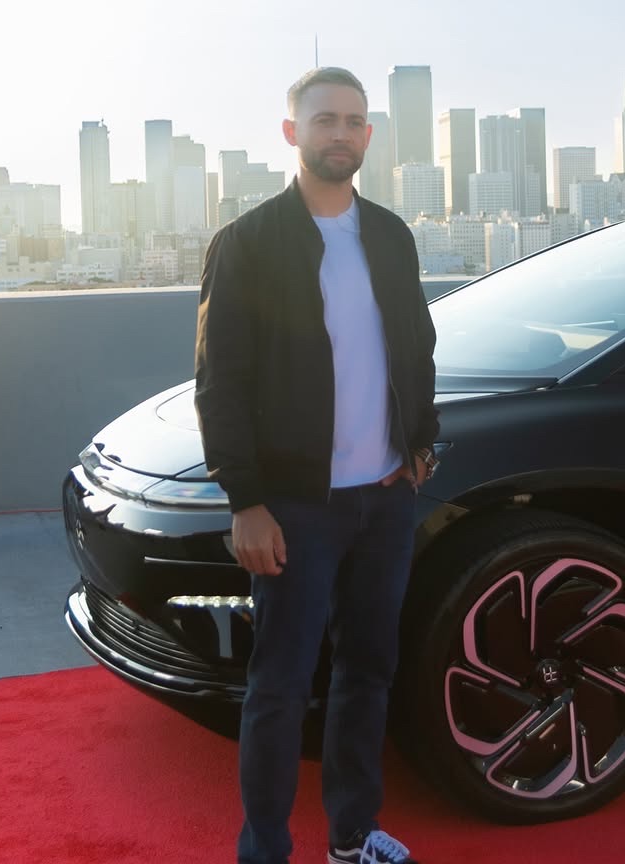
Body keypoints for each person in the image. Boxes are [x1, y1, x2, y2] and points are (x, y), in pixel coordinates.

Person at [194, 67, 439, 864]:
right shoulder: (249, 243)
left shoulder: (392, 237)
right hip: (296, 507)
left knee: (368, 675)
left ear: (369, 136)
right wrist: (245, 501)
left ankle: (351, 837)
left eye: (355, 121)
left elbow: (416, 346)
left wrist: (420, 438)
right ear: (292, 133)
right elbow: (219, 381)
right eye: (325, 119)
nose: (341, 133)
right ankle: (264, 850)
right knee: (280, 688)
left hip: (385, 498)